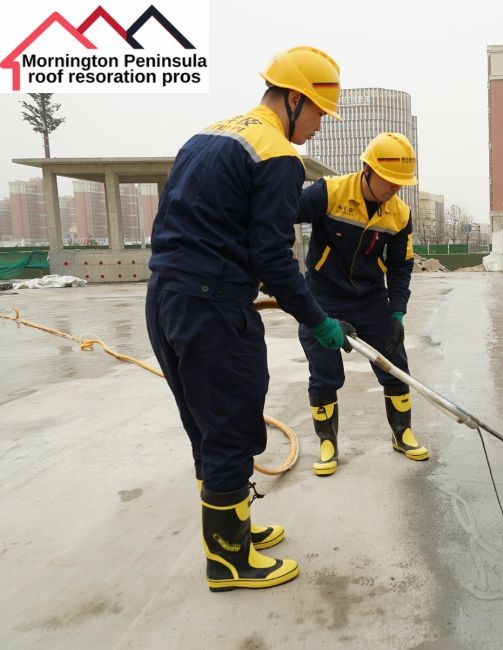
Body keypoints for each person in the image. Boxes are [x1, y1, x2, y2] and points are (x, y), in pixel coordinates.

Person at [145, 46, 355, 592]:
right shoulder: (277, 153)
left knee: (208, 427)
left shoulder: (208, 135)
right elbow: (274, 258)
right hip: (211, 308)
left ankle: (233, 527)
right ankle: (229, 562)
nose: (317, 128)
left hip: (166, 297)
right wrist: (319, 321)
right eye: (318, 114)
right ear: (294, 99)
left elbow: (204, 224)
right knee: (232, 428)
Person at [296, 132, 429, 476]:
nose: (395, 188)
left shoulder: (399, 214)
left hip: (371, 299)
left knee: (394, 364)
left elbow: (400, 267)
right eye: (389, 180)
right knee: (325, 372)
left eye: (401, 183)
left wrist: (397, 312)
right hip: (323, 296)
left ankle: (402, 433)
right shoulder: (330, 192)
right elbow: (279, 216)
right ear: (367, 169)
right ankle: (327, 442)